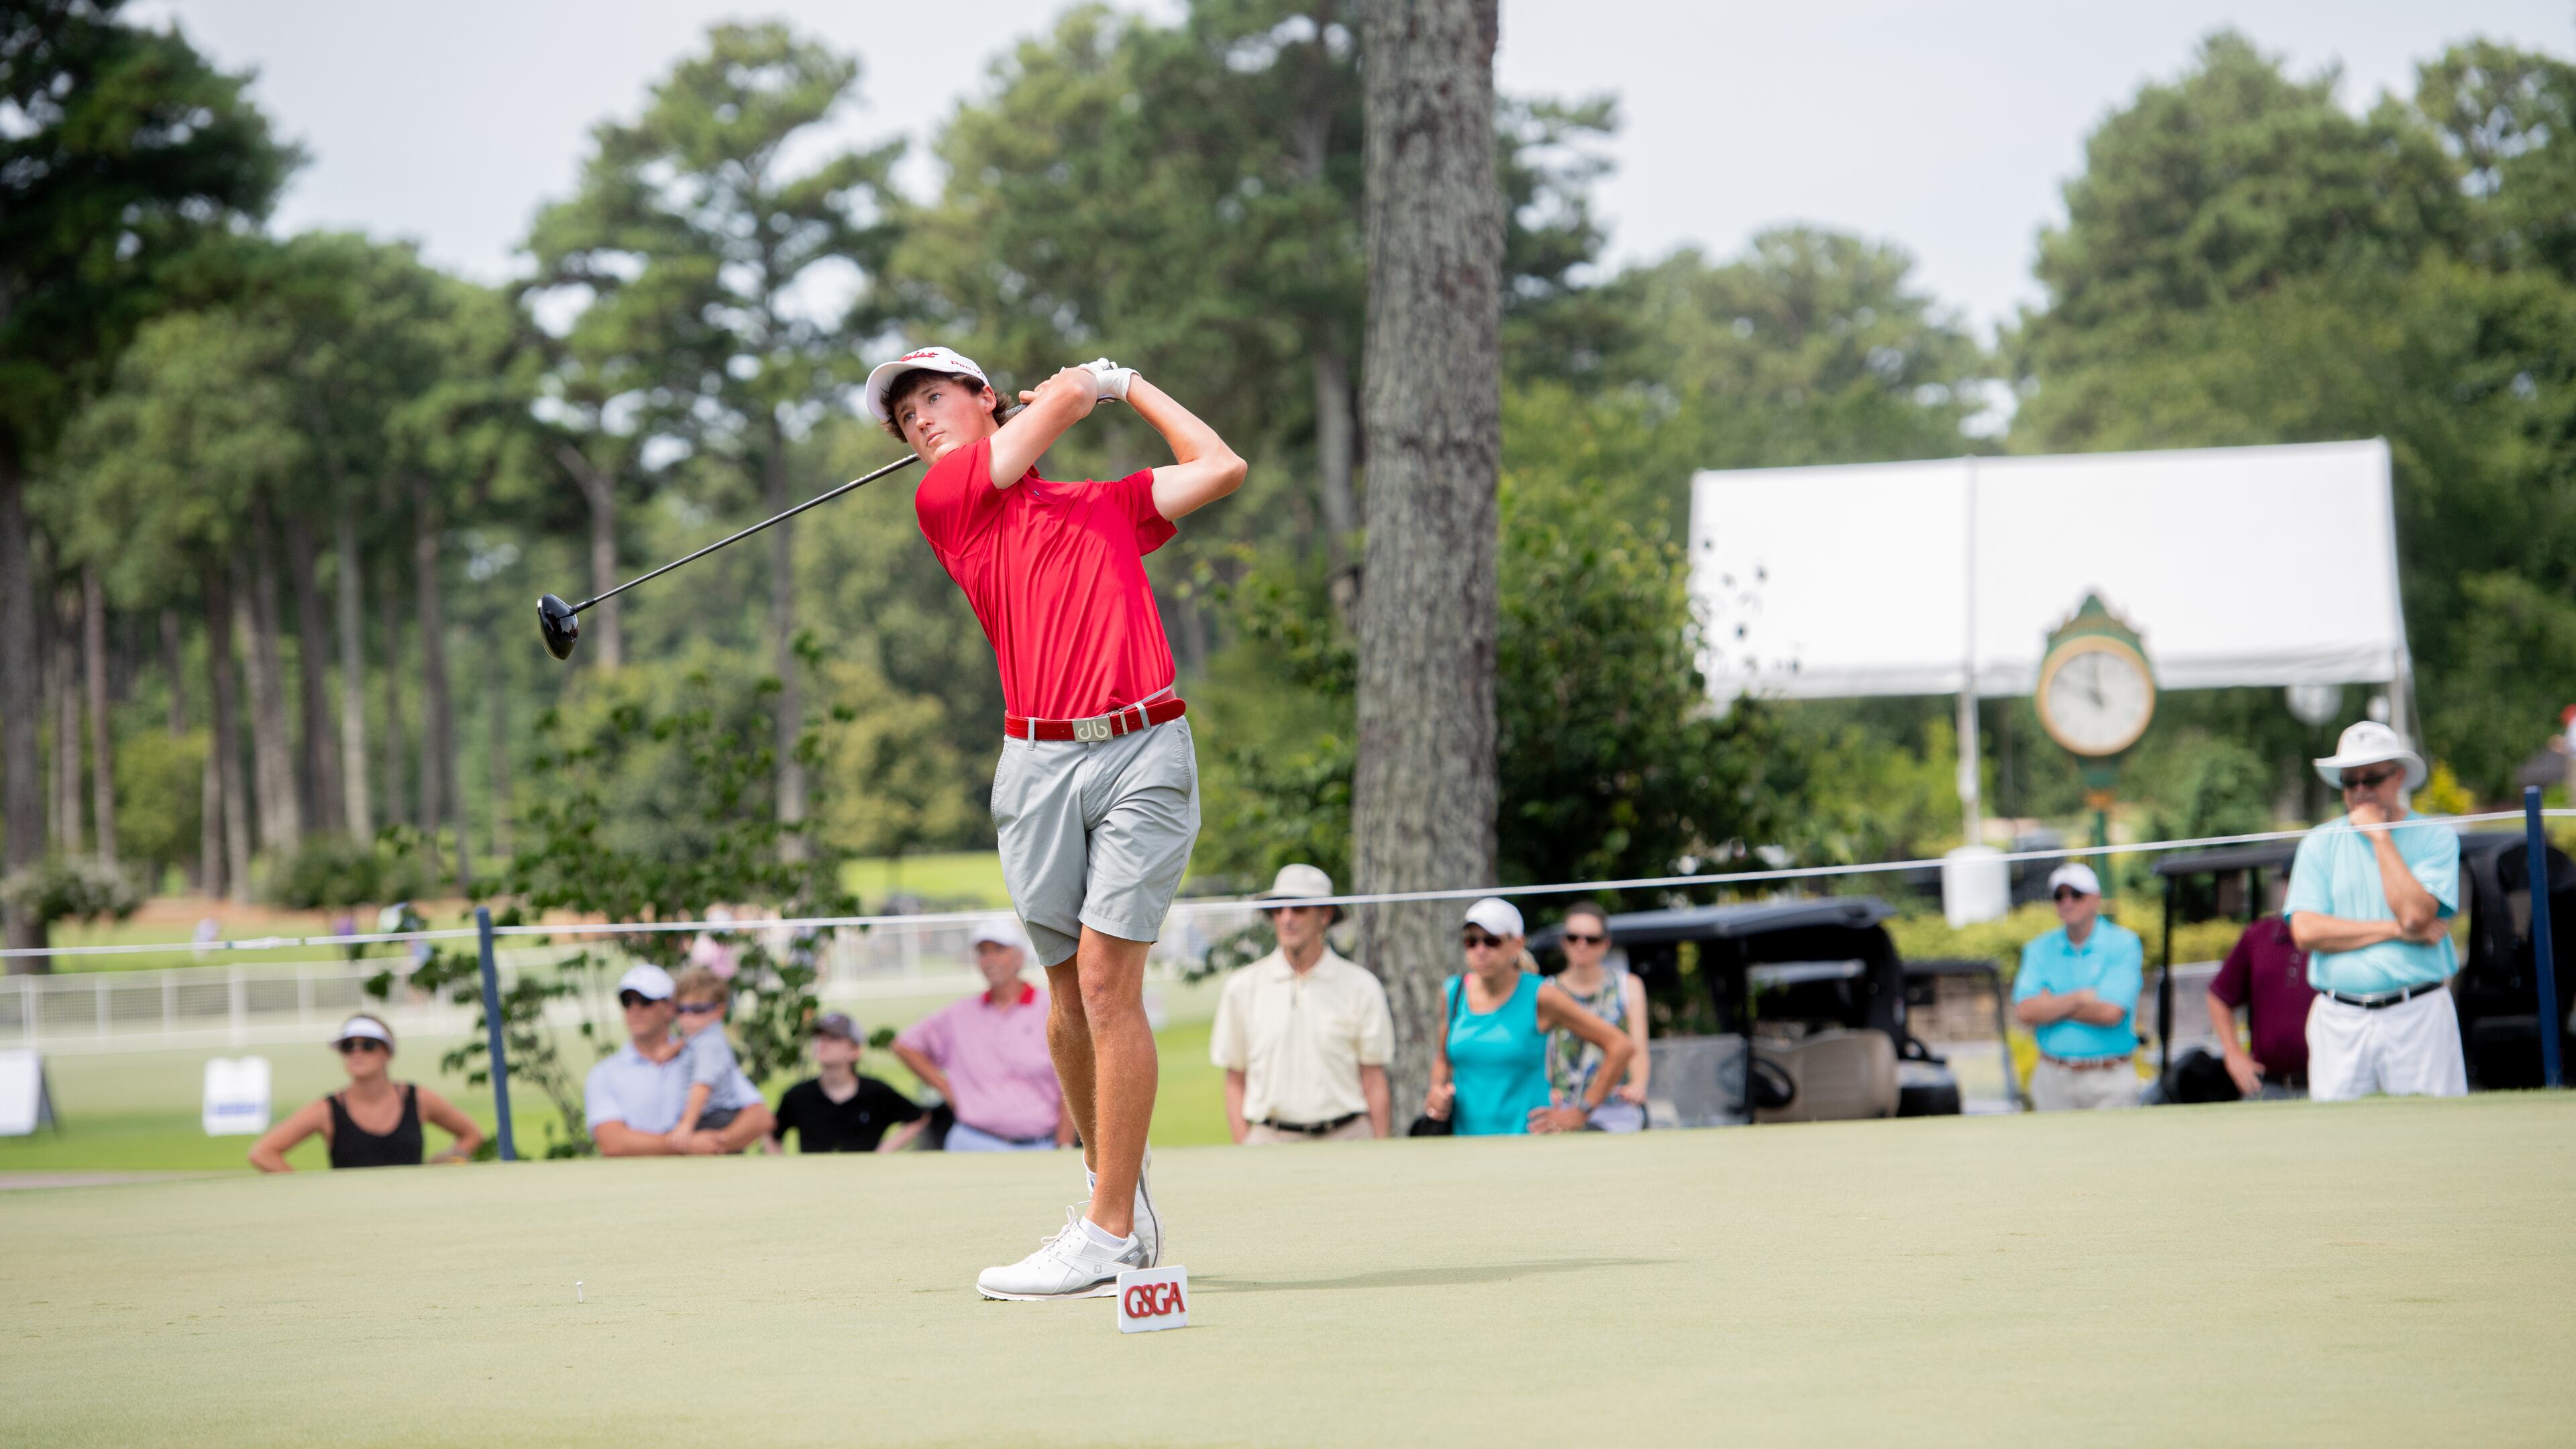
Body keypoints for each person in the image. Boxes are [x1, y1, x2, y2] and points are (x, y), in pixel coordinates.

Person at [865, 344, 1244, 1299]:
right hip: (1035, 764)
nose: (920, 421)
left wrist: (1133, 385)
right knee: (1067, 997)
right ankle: (1117, 1192)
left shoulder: (1100, 507)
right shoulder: (946, 502)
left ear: (985, 397)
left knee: (1111, 986)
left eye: (934, 399)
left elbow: (1220, 466)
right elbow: (1068, 398)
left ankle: (1108, 1231)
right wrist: (1087, 385)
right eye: (905, 417)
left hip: (1142, 748)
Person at [2286, 721, 2466, 1101]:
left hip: (2418, 1011)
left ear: (2398, 777)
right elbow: (2306, 932)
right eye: (2350, 782)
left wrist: (2379, 836)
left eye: (2372, 779)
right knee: (2338, 1144)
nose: (2360, 790)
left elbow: (2416, 915)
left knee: (2435, 1135)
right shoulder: (2319, 843)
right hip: (2340, 1016)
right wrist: (2395, 930)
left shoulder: (2435, 835)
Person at [1210, 864, 1395, 1144]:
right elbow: (1235, 1078)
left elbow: (1373, 1078)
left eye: (1299, 909)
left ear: (1325, 915)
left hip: (1348, 1138)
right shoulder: (1242, 987)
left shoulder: (1361, 986)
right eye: (1278, 909)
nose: (1286, 919)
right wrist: (1244, 1146)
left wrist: (1382, 1148)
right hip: (1268, 1140)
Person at [1421, 898, 1635, 1136]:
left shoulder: (1541, 995)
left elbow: (1621, 1046)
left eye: (1492, 941)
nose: (1480, 950)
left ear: (1517, 944)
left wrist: (1580, 1112)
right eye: (1472, 941)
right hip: (1465, 1144)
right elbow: (1442, 1059)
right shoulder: (1454, 991)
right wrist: (1436, 1090)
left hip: (1528, 1144)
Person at [892, 922, 1074, 1154]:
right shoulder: (959, 1015)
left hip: (1040, 1145)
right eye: (983, 953)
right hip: (971, 1142)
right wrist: (947, 1089)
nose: (989, 960)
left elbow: (1074, 1078)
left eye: (999, 950)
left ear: (1020, 957)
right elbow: (905, 1046)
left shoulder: (1051, 1009)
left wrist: (1064, 1143)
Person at [248, 1014, 483, 1171]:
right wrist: (308, 1194)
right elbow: (263, 1153)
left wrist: (451, 1158)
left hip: (413, 1212)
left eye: (368, 1045)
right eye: (348, 1046)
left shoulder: (417, 1098)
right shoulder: (328, 1109)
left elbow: (472, 1134)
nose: (357, 1052)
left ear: (387, 1053)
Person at [586, 964, 773, 1157]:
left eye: (646, 1001)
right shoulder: (603, 1073)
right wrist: (685, 1145)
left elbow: (760, 1117)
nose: (635, 1009)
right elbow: (612, 1142)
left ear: (670, 1009)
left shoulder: (700, 1053)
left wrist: (715, 1143)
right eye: (627, 1001)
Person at [2012, 863, 2145, 1110]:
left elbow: (2111, 1013)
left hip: (2110, 1079)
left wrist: (2051, 1004)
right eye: (2059, 896)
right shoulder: (2038, 948)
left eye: (2076, 894)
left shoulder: (2124, 943)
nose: (2067, 902)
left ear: (2096, 898)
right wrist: (2081, 998)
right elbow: (2026, 1011)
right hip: (2053, 1079)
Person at [2205, 880, 2316, 1099]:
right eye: (2291, 882)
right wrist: (2233, 1053)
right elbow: (2219, 996)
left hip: (2330, 1081)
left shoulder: (2343, 934)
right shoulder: (2260, 935)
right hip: (2270, 1084)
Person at [1546, 902, 1650, 1132]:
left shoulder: (1627, 986)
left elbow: (1637, 1047)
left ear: (1605, 944)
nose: (1582, 945)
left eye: (1591, 939)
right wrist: (1547, 1088)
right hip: (1563, 1109)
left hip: (1616, 1110)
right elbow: (1546, 1048)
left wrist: (1638, 1085)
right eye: (1574, 938)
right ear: (1564, 942)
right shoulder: (1548, 990)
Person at [769, 1012, 930, 1154]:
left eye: (834, 1038)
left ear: (855, 1050)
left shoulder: (876, 1093)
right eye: (819, 1037)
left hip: (866, 1181)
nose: (822, 1043)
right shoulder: (798, 1096)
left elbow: (918, 1117)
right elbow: (771, 1133)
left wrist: (884, 1151)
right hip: (814, 1182)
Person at [666, 967, 765, 1146]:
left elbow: (702, 1084)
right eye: (681, 1010)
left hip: (714, 1116)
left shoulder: (709, 1044)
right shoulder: (699, 1036)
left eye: (697, 1010)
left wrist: (686, 1125)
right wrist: (672, 1050)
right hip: (712, 1114)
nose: (687, 1017)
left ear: (718, 1012)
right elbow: (687, 1042)